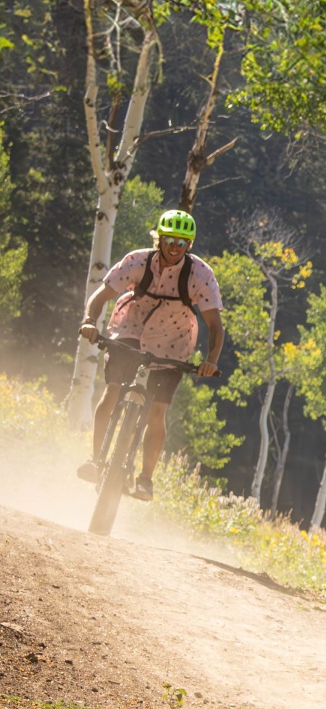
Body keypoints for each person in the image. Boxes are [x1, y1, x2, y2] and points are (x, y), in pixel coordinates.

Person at [77, 209, 224, 501]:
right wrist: (90, 321)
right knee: (112, 393)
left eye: (182, 243)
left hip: (174, 341)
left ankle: (145, 479)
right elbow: (101, 295)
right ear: (159, 238)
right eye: (169, 239)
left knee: (157, 410)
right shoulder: (137, 261)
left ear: (189, 245)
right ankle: (96, 461)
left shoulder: (200, 274)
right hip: (131, 327)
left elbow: (215, 324)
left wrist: (211, 360)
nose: (174, 247)